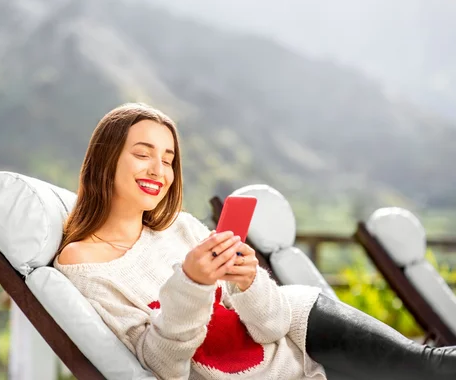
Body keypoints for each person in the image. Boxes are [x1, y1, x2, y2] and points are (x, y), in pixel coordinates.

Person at [53, 103, 456, 380]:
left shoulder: (183, 228)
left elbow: (272, 325)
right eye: (143, 154)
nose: (159, 170)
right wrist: (191, 284)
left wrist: (249, 282)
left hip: (303, 325)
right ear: (106, 159)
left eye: (169, 159)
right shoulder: (83, 263)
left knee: (427, 368)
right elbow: (162, 366)